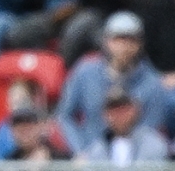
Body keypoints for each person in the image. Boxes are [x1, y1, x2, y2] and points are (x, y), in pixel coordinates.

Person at [58, 11, 168, 151]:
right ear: (106, 41)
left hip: (134, 157)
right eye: (118, 39)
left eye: (131, 40)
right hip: (91, 152)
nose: (124, 46)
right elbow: (64, 115)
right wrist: (80, 150)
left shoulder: (152, 82)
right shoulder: (85, 72)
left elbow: (150, 127)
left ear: (140, 44)